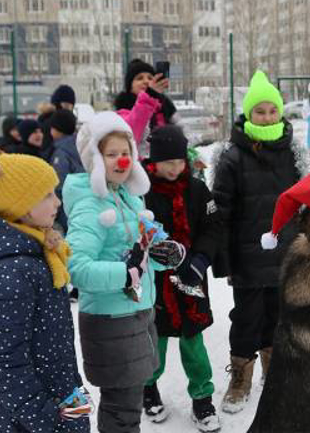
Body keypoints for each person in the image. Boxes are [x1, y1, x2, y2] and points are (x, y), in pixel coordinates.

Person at [63, 112, 183, 433]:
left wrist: (166, 254)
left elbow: (145, 249)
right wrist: (125, 272)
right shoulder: (91, 204)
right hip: (111, 322)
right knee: (122, 410)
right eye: (111, 154)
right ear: (95, 159)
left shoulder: (128, 197)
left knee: (128, 406)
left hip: (136, 316)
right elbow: (77, 268)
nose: (122, 160)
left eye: (126, 152)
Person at [0, 154, 91, 433]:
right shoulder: (10, 274)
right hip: (30, 417)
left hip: (59, 391)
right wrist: (46, 417)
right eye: (47, 195)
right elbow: (4, 363)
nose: (57, 202)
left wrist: (72, 393)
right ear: (21, 205)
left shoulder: (38, 250)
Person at [212, 70, 309, 413]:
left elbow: (306, 204)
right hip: (248, 258)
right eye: (260, 111)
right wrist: (223, 260)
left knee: (279, 317)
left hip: (286, 254)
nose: (267, 116)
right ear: (248, 114)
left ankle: (274, 368)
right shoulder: (232, 156)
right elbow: (221, 210)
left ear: (280, 113)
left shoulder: (295, 152)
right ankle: (240, 377)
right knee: (246, 319)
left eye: (272, 110)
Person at [141, 126, 221, 432]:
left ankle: (202, 397)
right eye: (167, 162)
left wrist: (200, 260)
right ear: (154, 162)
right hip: (156, 285)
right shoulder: (142, 191)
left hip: (192, 279)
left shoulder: (198, 190)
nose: (175, 168)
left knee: (194, 344)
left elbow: (213, 227)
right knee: (154, 344)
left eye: (179, 161)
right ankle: (148, 387)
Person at [114, 59, 177, 158]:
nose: (146, 81)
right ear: (129, 86)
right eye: (139, 78)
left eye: (150, 78)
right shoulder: (124, 110)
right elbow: (131, 136)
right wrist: (149, 96)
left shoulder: (166, 107)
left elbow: (181, 134)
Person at [48, 109, 83, 233]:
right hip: (82, 201)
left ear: (56, 129)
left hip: (67, 205)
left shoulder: (61, 152)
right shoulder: (79, 144)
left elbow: (58, 182)